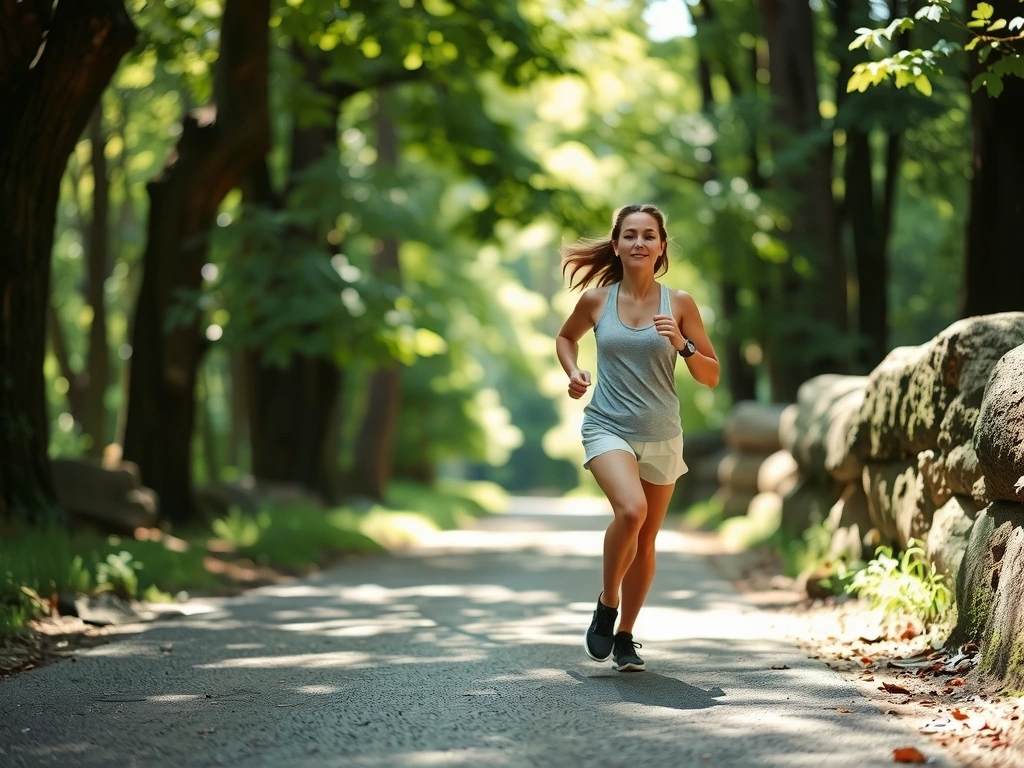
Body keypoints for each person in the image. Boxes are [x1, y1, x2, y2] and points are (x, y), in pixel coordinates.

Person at [555, 203, 720, 673]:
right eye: (630, 235)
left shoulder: (680, 304)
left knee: (646, 540)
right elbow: (566, 339)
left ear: (661, 246)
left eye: (649, 235)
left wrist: (683, 345)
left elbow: (710, 375)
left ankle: (626, 635)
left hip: (663, 433)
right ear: (617, 244)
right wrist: (574, 371)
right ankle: (607, 605)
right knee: (631, 510)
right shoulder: (597, 301)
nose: (639, 243)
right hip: (607, 425)